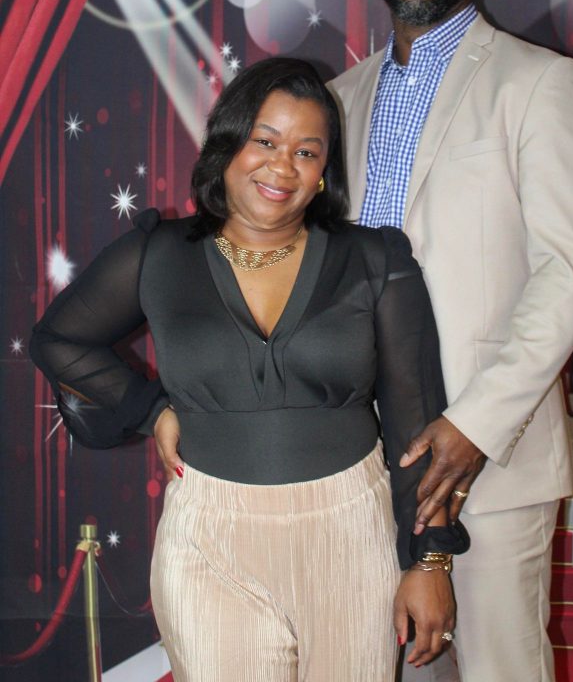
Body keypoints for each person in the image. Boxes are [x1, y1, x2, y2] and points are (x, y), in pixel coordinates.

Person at [30, 57, 469, 682]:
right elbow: (60, 339)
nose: (282, 166)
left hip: (351, 537)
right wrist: (152, 410)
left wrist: (429, 562)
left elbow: (414, 425)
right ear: (227, 145)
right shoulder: (158, 254)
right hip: (210, 544)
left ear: (324, 171)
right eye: (265, 141)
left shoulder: (375, 261)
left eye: (306, 152)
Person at [328, 0, 573, 682]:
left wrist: (474, 425)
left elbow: (569, 270)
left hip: (486, 457)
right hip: (353, 457)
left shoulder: (538, 83)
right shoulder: (337, 98)